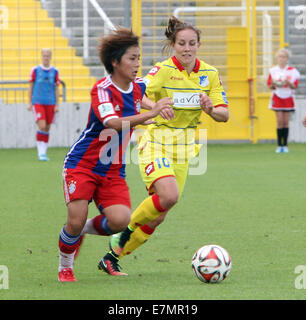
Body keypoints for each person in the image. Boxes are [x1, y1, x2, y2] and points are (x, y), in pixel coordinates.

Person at [97, 16, 229, 276]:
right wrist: (155, 107)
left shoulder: (210, 74)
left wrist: (211, 109)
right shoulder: (163, 70)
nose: (187, 48)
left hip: (184, 149)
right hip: (155, 140)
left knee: (158, 214)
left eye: (192, 43)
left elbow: (224, 114)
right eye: (182, 43)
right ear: (174, 44)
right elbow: (136, 91)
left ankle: (111, 258)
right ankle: (122, 234)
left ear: (199, 45)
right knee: (169, 196)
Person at [57, 27, 172, 282]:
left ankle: (84, 229)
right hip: (83, 165)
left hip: (112, 170)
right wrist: (151, 115)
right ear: (115, 61)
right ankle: (65, 265)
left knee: (121, 220)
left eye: (138, 58)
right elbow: (113, 122)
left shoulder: (138, 87)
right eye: (132, 58)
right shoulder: (102, 89)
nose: (137, 63)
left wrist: (157, 108)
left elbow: (142, 99)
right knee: (73, 222)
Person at [28, 48, 60, 161]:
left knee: (47, 128)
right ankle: (40, 153)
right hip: (38, 102)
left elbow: (56, 89)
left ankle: (44, 152)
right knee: (41, 126)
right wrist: (29, 102)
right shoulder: (35, 70)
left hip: (50, 102)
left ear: (50, 57)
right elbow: (31, 86)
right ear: (41, 56)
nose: (46, 57)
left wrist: (57, 104)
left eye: (48, 55)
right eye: (44, 55)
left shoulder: (55, 71)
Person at [267, 48, 300, 153]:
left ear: (287, 58)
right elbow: (270, 86)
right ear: (277, 58)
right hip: (277, 97)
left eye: (283, 57)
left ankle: (285, 145)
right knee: (279, 121)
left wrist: (287, 82)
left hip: (288, 97)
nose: (281, 59)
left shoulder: (292, 71)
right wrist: (274, 83)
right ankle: (279, 145)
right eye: (280, 56)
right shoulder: (273, 71)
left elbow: (295, 86)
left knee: (286, 122)